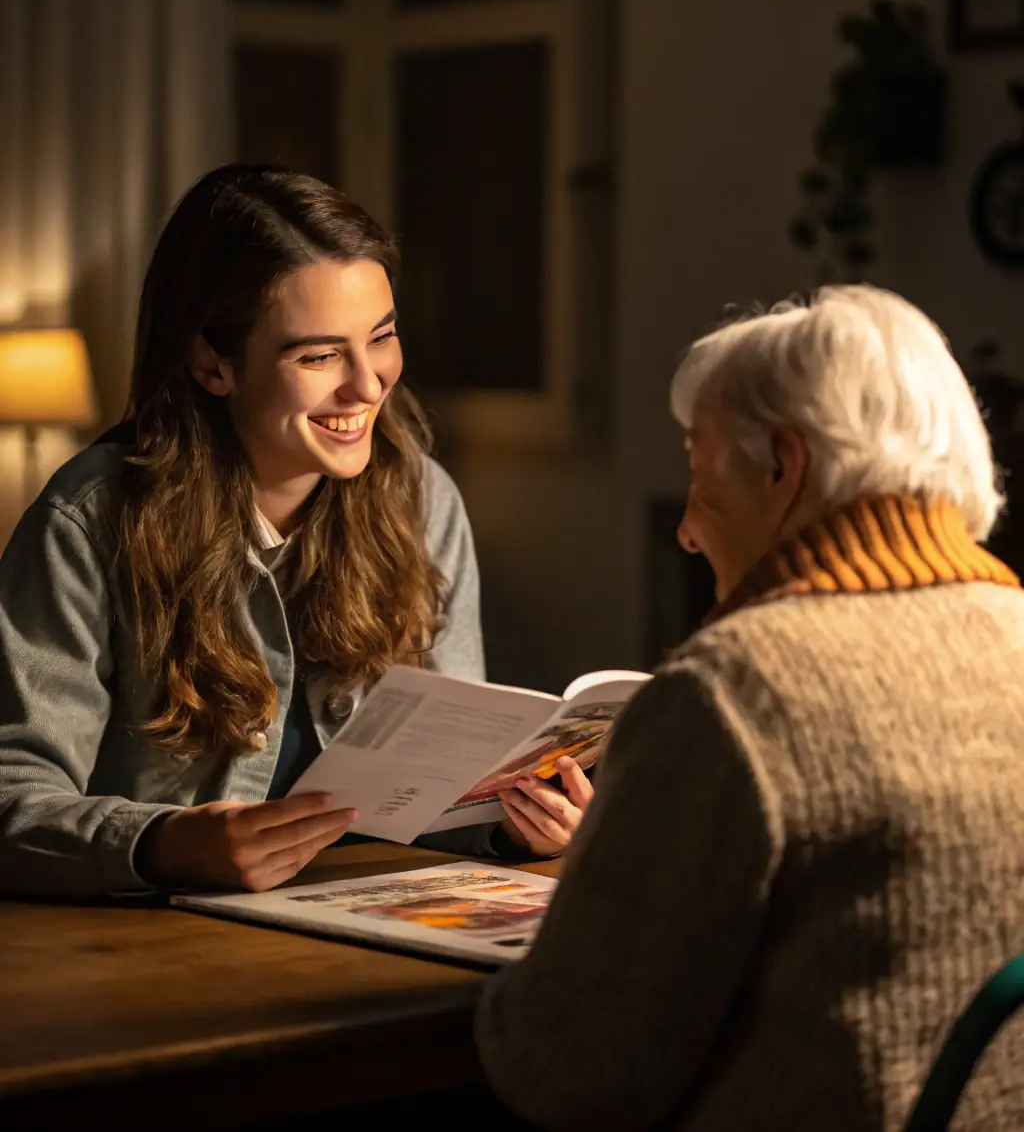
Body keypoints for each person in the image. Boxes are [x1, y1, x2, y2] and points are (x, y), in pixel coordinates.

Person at [477, 285, 1024, 1131]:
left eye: (700, 473)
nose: (687, 531)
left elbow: (562, 1068)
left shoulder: (735, 686)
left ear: (783, 466)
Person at [0, 165, 590, 899]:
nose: (368, 385)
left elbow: (444, 791)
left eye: (381, 337)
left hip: (364, 919)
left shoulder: (421, 499)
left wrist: (511, 824)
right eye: (318, 355)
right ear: (211, 364)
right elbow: (12, 796)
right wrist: (161, 843)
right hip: (156, 943)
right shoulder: (89, 520)